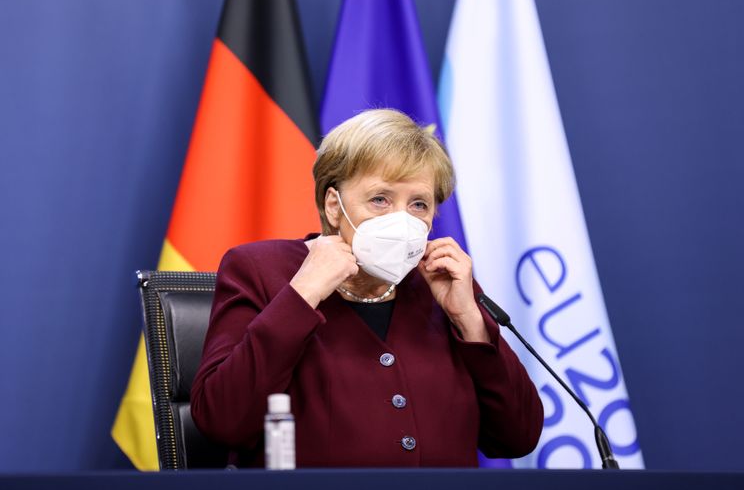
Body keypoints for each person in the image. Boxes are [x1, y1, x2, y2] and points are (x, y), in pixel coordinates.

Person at [190, 109, 544, 468]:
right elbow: (223, 422)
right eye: (380, 199)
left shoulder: (440, 285)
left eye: (418, 204)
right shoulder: (260, 270)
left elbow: (518, 436)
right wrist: (303, 294)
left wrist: (469, 319)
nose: (401, 219)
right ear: (333, 205)